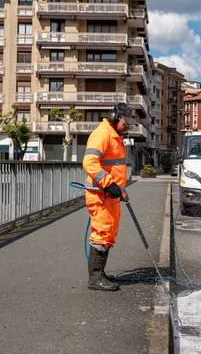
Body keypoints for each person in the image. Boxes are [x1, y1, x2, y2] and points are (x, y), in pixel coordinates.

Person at [82, 102, 130, 291]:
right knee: (102, 232)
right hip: (100, 194)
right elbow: (89, 162)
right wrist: (108, 183)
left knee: (108, 233)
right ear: (116, 117)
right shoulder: (102, 134)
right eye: (127, 121)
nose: (129, 125)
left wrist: (120, 188)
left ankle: (100, 273)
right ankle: (95, 278)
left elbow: (114, 166)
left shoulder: (114, 135)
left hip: (110, 194)